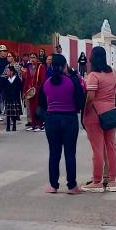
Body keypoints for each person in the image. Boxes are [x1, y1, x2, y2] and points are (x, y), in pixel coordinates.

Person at [37, 54, 85, 195]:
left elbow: (42, 104)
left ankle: (53, 186)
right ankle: (72, 186)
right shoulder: (72, 82)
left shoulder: (46, 83)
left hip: (52, 120)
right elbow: (80, 102)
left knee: (54, 153)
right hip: (69, 119)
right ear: (65, 66)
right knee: (70, 153)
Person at [82, 46, 116, 192]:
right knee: (111, 146)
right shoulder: (112, 73)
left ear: (92, 58)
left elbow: (90, 97)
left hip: (95, 115)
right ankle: (112, 181)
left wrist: (85, 111)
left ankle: (97, 181)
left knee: (97, 148)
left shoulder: (94, 75)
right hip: (110, 112)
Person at [24, 53, 46, 132]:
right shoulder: (29, 67)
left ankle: (40, 125)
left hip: (38, 91)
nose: (32, 59)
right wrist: (25, 91)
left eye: (34, 57)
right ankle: (33, 124)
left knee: (38, 108)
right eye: (31, 57)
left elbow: (43, 79)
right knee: (31, 108)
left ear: (37, 59)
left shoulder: (41, 67)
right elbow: (27, 80)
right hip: (31, 91)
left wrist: (40, 90)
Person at [2, 64, 24, 132]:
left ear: (12, 72)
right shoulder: (6, 79)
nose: (6, 72)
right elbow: (4, 88)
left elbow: (20, 87)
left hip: (15, 97)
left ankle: (14, 126)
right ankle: (8, 126)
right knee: (8, 113)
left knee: (14, 113)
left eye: (8, 71)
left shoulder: (17, 79)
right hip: (8, 98)